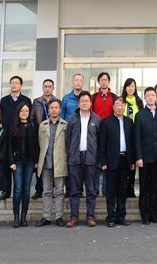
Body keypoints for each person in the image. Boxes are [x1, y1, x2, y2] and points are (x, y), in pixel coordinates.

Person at [65, 91, 101, 227]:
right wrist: (71, 153)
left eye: (87, 100)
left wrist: (97, 157)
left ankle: (90, 216)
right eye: (82, 101)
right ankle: (74, 217)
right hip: (75, 158)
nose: (84, 103)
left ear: (91, 103)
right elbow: (68, 139)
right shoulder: (72, 119)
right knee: (74, 190)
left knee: (91, 190)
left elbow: (99, 140)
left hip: (90, 158)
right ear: (78, 103)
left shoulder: (96, 119)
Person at [99, 97, 135, 227]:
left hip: (125, 160)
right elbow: (102, 144)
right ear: (113, 107)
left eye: (122, 105)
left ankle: (121, 216)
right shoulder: (106, 122)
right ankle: (111, 217)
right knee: (111, 191)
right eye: (117, 105)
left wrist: (132, 160)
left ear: (124, 107)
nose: (120, 107)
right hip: (111, 161)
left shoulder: (129, 122)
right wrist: (103, 161)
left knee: (122, 190)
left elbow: (132, 143)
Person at [134, 87, 157, 224]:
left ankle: (154, 214)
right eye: (148, 95)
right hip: (145, 158)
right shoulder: (140, 115)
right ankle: (145, 215)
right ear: (145, 98)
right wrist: (138, 157)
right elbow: (137, 138)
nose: (151, 97)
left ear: (156, 97)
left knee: (155, 187)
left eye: (153, 95)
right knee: (144, 187)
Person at [36, 99, 68, 227]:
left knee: (59, 191)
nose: (54, 110)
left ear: (60, 110)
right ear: (48, 110)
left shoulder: (65, 125)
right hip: (46, 163)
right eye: (51, 108)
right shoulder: (42, 125)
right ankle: (46, 217)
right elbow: (40, 143)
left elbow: (68, 144)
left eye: (56, 108)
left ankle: (59, 216)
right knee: (47, 191)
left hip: (60, 162)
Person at [0, 75, 32, 200]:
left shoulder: (26, 100)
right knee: (6, 162)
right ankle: (6, 190)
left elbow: (28, 116)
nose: (14, 85)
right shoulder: (4, 100)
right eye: (12, 82)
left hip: (21, 134)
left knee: (20, 164)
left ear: (21, 85)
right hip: (6, 134)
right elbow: (1, 116)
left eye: (17, 83)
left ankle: (21, 190)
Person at [8, 101, 38, 228]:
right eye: (22, 111)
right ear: (18, 112)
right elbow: (9, 146)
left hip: (30, 162)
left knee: (26, 190)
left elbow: (36, 144)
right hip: (17, 162)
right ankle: (16, 217)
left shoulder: (33, 125)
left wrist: (36, 161)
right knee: (18, 189)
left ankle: (23, 217)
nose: (24, 113)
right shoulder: (13, 126)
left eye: (26, 110)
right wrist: (11, 162)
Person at [31, 80, 59, 200]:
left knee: (51, 163)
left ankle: (51, 189)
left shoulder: (57, 101)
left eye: (50, 86)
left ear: (53, 88)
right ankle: (39, 189)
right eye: (45, 86)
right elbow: (32, 117)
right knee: (40, 163)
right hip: (40, 134)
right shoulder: (37, 101)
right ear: (42, 88)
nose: (47, 88)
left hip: (52, 134)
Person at [91, 72, 118, 196]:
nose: (103, 81)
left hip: (110, 132)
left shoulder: (114, 97)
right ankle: (95, 188)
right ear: (99, 82)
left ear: (108, 81)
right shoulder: (93, 97)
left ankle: (106, 189)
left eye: (106, 79)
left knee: (107, 161)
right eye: (101, 79)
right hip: (95, 132)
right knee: (96, 161)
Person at [121, 77, 143, 198]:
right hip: (124, 134)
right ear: (125, 88)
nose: (130, 88)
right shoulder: (121, 101)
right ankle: (123, 187)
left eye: (133, 86)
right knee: (124, 163)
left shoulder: (139, 102)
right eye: (128, 86)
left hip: (136, 135)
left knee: (133, 163)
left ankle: (131, 188)